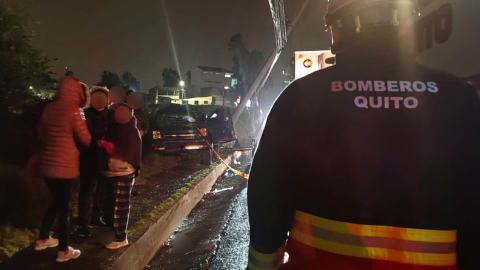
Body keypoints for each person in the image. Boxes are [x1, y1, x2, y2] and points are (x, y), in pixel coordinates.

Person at [247, 1, 480, 270]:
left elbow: (267, 201)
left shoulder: (301, 97)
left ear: (337, 27)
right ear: (405, 23)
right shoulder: (459, 98)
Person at [35, 76, 92, 262]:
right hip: (65, 165)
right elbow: (85, 139)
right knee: (65, 206)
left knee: (55, 202)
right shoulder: (74, 110)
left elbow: (41, 134)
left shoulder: (49, 108)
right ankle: (64, 250)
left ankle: (43, 238)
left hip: (47, 163)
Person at [99, 104, 141, 249]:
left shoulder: (131, 130)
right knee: (109, 206)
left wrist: (108, 146)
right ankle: (111, 236)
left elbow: (129, 152)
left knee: (119, 208)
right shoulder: (112, 128)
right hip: (109, 172)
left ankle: (120, 237)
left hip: (123, 172)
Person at [78, 86, 110, 237]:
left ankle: (96, 217)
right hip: (88, 158)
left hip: (105, 159)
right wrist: (93, 142)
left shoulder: (111, 115)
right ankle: (84, 223)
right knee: (87, 192)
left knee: (101, 191)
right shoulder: (84, 115)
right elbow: (79, 135)